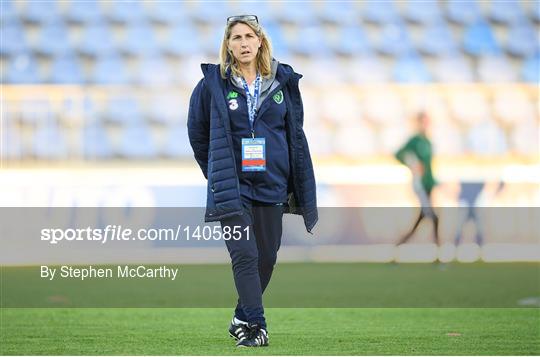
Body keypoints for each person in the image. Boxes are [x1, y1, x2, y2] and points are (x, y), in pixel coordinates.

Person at [187, 15, 318, 347]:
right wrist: (216, 172)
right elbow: (197, 133)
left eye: (249, 36)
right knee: (244, 254)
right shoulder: (212, 85)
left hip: (272, 183)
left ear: (260, 41)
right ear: (227, 45)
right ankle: (256, 326)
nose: (243, 43)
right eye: (236, 38)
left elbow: (293, 133)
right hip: (233, 187)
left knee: (267, 257)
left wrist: (289, 172)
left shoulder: (282, 82)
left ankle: (240, 316)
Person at [395, 112, 440, 247]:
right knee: (433, 217)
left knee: (422, 218)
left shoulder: (428, 141)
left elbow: (429, 166)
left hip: (427, 185)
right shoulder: (415, 140)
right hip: (420, 185)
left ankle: (398, 246)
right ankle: (440, 254)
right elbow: (399, 154)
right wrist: (411, 164)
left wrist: (433, 182)